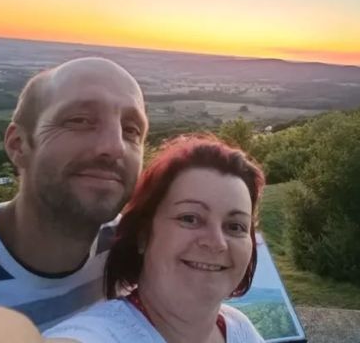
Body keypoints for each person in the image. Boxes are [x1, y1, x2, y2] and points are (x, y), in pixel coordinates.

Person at [0, 57, 148, 330]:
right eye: (80, 120)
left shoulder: (138, 254)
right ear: (18, 145)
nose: (114, 147)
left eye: (131, 130)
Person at [43, 135, 266, 343]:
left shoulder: (238, 329)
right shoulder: (96, 336)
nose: (217, 242)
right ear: (143, 234)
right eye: (190, 218)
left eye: (235, 226)